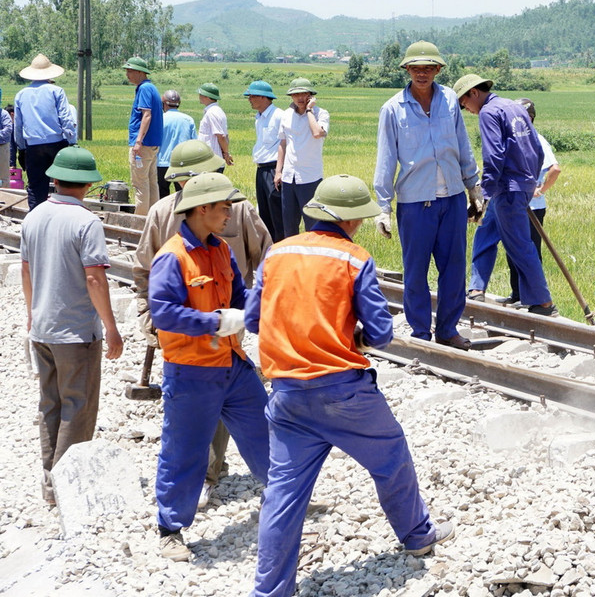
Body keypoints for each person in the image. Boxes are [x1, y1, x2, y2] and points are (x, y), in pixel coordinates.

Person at [245, 174, 454, 597]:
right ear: (352, 220)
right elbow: (380, 332)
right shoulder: (354, 258)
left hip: (286, 395)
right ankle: (417, 535)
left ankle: (269, 590)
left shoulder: (276, 254)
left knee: (283, 499)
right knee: (391, 453)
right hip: (343, 392)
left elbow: (253, 320)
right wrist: (350, 336)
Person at [134, 139, 271, 510]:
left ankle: (287, 499)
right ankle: (171, 525)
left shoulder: (220, 248)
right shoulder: (173, 257)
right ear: (202, 207)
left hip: (232, 361)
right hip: (192, 367)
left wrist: (264, 313)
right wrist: (212, 322)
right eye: (224, 207)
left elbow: (240, 292)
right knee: (184, 448)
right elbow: (162, 309)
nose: (230, 213)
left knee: (267, 431)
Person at [21, 145, 124, 504]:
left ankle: (50, 484)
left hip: (43, 327)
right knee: (77, 407)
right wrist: (111, 327)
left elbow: (26, 269)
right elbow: (95, 278)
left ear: (55, 179)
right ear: (86, 185)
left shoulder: (34, 217)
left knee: (50, 404)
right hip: (76, 331)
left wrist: (33, 312)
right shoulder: (87, 222)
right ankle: (68, 490)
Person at [373, 41, 481, 349]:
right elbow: (386, 157)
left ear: (437, 70)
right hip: (415, 202)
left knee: (454, 269)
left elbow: (462, 143)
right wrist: (384, 207)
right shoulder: (393, 109)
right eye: (416, 68)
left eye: (428, 68)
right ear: (407, 70)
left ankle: (448, 329)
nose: (422, 74)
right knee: (416, 272)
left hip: (452, 198)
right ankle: (421, 334)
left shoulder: (449, 100)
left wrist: (473, 186)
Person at [456, 74, 556, 317]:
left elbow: (494, 156)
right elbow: (537, 150)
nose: (466, 109)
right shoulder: (514, 107)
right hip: (517, 185)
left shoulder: (488, 113)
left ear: (473, 94)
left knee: (519, 244)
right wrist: (530, 180)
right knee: (486, 231)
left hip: (505, 188)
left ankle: (543, 302)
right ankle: (476, 288)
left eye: (464, 104)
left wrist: (484, 194)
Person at [496, 97, 562, 306]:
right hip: (514, 202)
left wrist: (541, 189)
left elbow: (555, 169)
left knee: (529, 250)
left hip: (532, 206)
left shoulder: (537, 139)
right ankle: (517, 294)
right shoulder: (511, 139)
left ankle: (534, 298)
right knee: (513, 249)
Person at [14, 54, 77, 209]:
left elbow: (18, 125)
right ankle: (62, 216)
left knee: (36, 187)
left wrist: (21, 149)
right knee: (64, 184)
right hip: (56, 143)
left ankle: (35, 219)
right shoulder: (57, 91)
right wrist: (72, 142)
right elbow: (66, 118)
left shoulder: (21, 94)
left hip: (33, 146)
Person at [275, 78, 328, 237]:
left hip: (310, 176)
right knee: (289, 225)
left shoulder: (321, 114)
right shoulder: (286, 115)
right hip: (289, 176)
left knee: (312, 224)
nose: (299, 98)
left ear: (310, 95)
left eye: (303, 94)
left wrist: (310, 111)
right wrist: (278, 171)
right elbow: (282, 143)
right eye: (295, 94)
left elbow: (317, 133)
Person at [122, 57, 164, 215]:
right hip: (152, 144)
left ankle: (139, 223)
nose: (127, 74)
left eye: (130, 71)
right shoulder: (151, 87)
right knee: (152, 183)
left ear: (140, 72)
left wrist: (138, 141)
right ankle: (154, 218)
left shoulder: (144, 89)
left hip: (143, 145)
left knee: (140, 185)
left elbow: (147, 115)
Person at [244, 80, 283, 242]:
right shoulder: (259, 118)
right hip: (261, 169)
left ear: (263, 97)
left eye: (252, 96)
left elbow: (285, 143)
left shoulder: (279, 116)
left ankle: (281, 246)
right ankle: (269, 247)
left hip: (274, 168)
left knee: (277, 213)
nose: (249, 99)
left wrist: (280, 171)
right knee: (264, 213)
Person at [156, 90, 196, 199]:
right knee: (183, 195)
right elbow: (194, 143)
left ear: (163, 103)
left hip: (161, 163)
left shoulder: (160, 119)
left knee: (162, 196)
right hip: (182, 164)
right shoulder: (188, 120)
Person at [198, 83, 232, 165]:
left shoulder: (212, 112)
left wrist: (226, 153)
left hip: (211, 160)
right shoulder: (218, 111)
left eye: (200, 94)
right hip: (214, 159)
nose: (199, 96)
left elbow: (221, 136)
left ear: (206, 96)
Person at [0, 100, 11, 187]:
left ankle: (4, 196)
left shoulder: (4, 114)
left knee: (3, 176)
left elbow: (8, 129)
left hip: (2, 146)